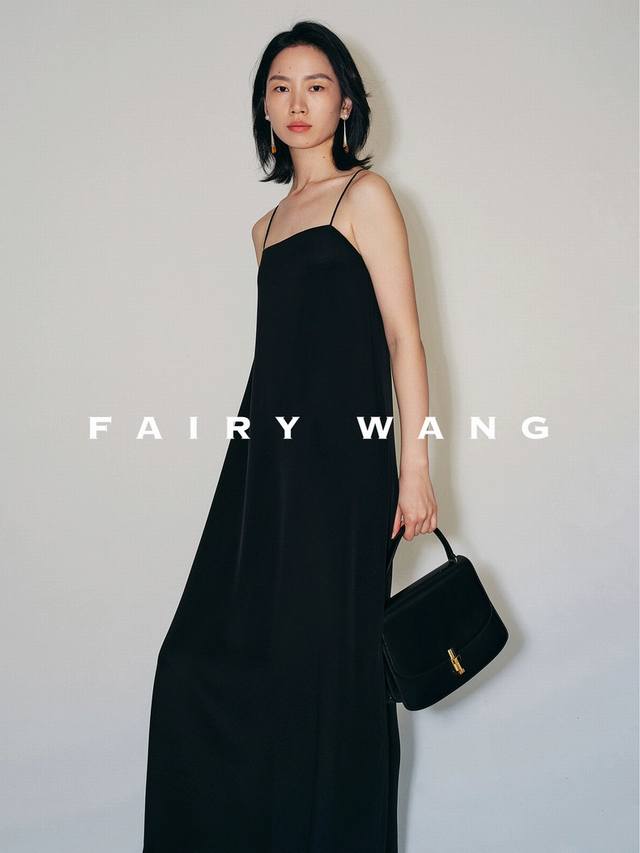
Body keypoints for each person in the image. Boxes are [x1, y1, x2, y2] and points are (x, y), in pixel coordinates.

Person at [142, 20, 437, 853]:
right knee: (196, 662)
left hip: (345, 472)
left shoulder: (365, 197)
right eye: (280, 87)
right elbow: (279, 361)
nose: (297, 101)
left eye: (315, 85)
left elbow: (405, 338)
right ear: (264, 110)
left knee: (330, 668)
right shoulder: (264, 229)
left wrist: (415, 467)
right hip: (266, 466)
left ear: (345, 104)